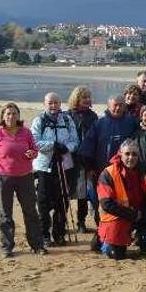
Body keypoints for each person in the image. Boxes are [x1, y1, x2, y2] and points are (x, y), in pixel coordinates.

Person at [0, 102, 46, 257]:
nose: (11, 116)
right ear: (3, 116)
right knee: (5, 214)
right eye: (8, 113)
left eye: (14, 113)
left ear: (18, 116)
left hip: (25, 178)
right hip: (4, 179)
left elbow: (35, 150)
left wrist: (32, 153)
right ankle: (7, 247)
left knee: (31, 212)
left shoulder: (26, 133)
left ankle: (37, 245)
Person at [96, 139, 146, 260]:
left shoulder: (143, 171)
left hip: (137, 212)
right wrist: (132, 214)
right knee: (116, 254)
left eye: (134, 154)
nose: (131, 157)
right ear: (120, 154)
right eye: (127, 154)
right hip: (117, 216)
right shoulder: (108, 174)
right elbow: (107, 204)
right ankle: (101, 240)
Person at [78, 95, 139, 224]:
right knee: (103, 200)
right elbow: (87, 147)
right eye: (115, 105)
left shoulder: (132, 122)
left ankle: (125, 226)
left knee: (124, 200)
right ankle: (101, 226)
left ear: (124, 106)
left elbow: (144, 131)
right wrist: (89, 168)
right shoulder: (99, 124)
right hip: (102, 171)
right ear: (109, 106)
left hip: (125, 171)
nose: (118, 108)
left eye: (120, 105)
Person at [31, 92, 80, 247]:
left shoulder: (67, 119)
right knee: (43, 202)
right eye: (50, 103)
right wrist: (53, 145)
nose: (53, 106)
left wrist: (66, 148)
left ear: (60, 104)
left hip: (64, 166)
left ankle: (59, 233)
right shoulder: (39, 120)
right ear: (45, 104)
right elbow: (34, 142)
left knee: (62, 201)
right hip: (44, 167)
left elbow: (75, 140)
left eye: (56, 103)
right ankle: (44, 234)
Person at [66, 86, 98, 233]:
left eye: (88, 97)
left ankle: (81, 222)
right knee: (65, 192)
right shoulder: (67, 116)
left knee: (83, 193)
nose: (87, 100)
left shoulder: (93, 116)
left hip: (86, 159)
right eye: (83, 97)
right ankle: (61, 221)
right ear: (76, 99)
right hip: (69, 158)